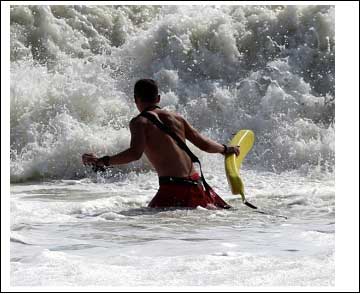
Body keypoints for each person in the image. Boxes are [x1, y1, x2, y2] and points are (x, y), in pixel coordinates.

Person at [82, 79, 240, 209]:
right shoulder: (176, 117)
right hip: (196, 185)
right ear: (158, 98)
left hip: (173, 190)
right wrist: (226, 149)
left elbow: (135, 154)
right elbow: (203, 144)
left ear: (136, 100)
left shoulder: (140, 122)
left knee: (144, 229)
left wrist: (103, 161)